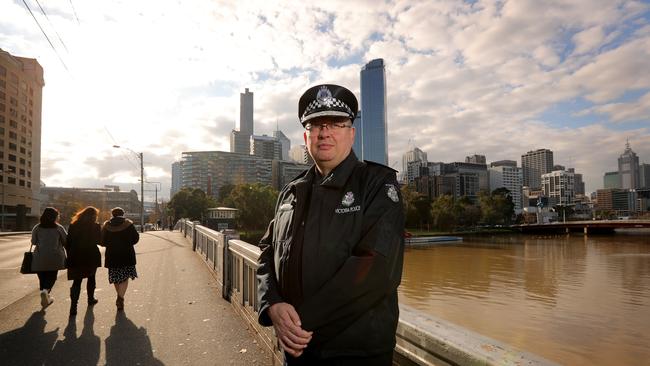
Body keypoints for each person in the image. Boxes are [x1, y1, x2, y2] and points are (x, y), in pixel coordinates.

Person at [256, 84, 405, 365]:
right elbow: (267, 250)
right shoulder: (291, 191)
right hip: (298, 353)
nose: (325, 132)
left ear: (351, 133)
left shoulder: (376, 184)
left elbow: (378, 269)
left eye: (336, 123)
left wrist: (298, 323)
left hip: (353, 353)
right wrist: (271, 303)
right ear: (306, 136)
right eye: (315, 125)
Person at [65, 206, 102, 316]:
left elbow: (68, 242)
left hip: (76, 255)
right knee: (91, 278)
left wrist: (70, 255)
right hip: (91, 255)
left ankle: (73, 306)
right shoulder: (95, 226)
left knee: (77, 281)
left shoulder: (73, 225)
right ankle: (90, 299)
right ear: (94, 216)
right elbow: (99, 241)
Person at [101, 207, 139, 311]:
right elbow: (135, 239)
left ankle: (119, 296)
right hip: (126, 254)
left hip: (112, 255)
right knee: (124, 277)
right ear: (123, 214)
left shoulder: (106, 225)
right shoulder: (128, 224)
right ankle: (120, 297)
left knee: (115, 277)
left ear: (112, 214)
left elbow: (102, 241)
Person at [31, 207, 67, 309]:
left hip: (39, 257)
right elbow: (66, 241)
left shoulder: (37, 227)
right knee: (51, 277)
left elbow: (33, 242)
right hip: (55, 257)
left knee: (42, 278)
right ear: (55, 217)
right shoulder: (59, 228)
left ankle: (44, 293)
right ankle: (46, 292)